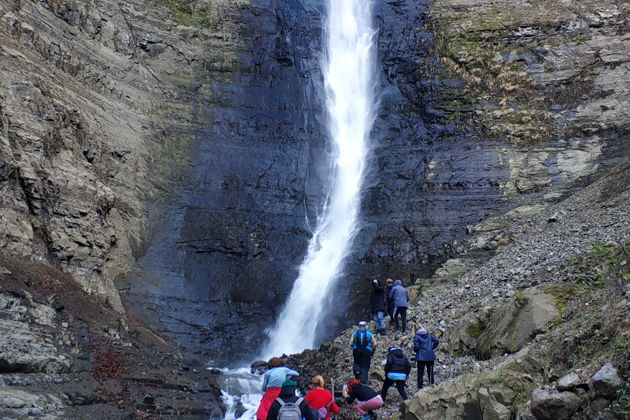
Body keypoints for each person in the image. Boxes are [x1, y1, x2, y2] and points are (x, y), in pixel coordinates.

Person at [413, 324, 439, 389]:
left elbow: (416, 347)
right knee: (430, 372)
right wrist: (432, 348)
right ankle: (432, 385)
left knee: (420, 373)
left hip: (421, 357)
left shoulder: (416, 336)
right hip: (430, 356)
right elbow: (436, 341)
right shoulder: (428, 335)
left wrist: (416, 350)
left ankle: (420, 387)